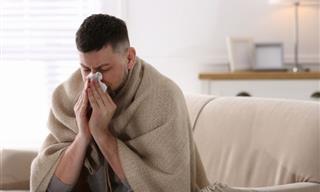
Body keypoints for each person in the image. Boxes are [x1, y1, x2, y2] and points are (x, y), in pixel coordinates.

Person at [30, 14, 254, 192]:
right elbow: (49, 187)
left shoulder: (163, 97)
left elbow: (167, 188)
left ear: (129, 58)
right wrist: (83, 136)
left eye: (104, 70)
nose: (92, 80)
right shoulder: (68, 94)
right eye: (85, 69)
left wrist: (102, 134)